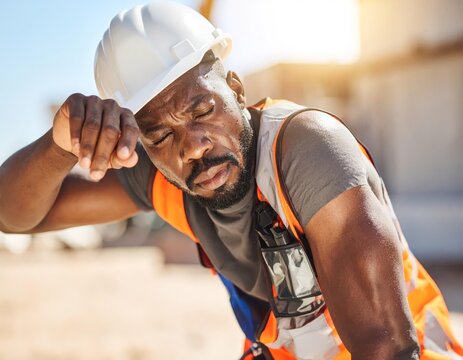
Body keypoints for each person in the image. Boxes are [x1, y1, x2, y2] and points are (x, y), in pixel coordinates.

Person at [0, 2, 462, 359]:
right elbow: (14, 215)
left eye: (202, 110)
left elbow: (386, 348)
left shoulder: (306, 151)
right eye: (160, 134)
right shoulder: (162, 176)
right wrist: (58, 147)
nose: (192, 146)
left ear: (236, 88)